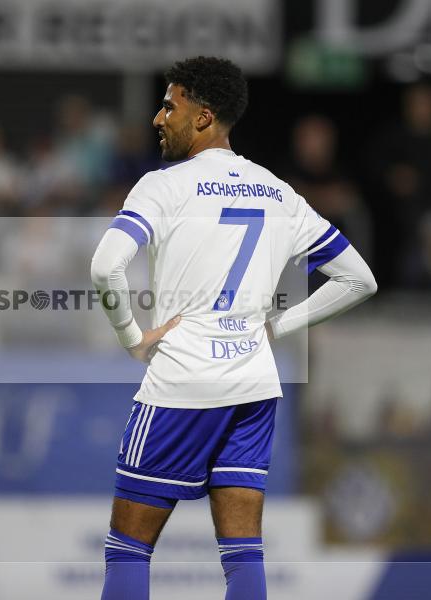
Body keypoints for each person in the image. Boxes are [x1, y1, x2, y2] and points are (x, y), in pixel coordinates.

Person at [90, 56, 377, 600]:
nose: (158, 117)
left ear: (202, 117)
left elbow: (105, 266)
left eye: (169, 105)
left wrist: (132, 338)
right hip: (253, 385)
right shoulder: (279, 193)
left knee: (129, 549)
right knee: (243, 554)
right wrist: (279, 326)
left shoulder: (164, 186)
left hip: (182, 382)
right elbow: (359, 279)